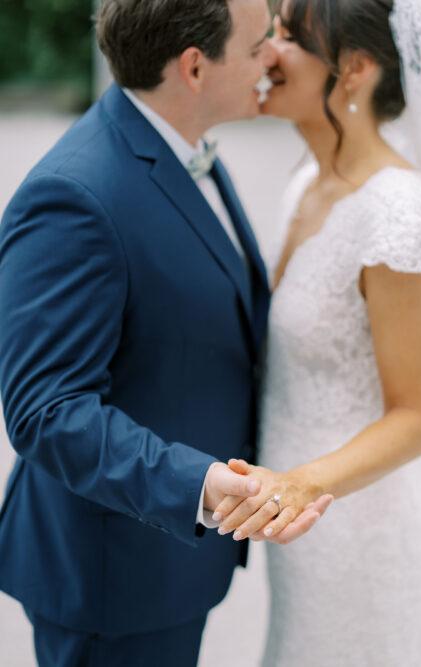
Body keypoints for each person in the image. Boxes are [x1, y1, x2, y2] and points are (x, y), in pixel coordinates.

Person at [0, 1, 333, 665]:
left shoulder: (183, 148)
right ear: (193, 67)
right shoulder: (76, 196)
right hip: (110, 582)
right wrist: (199, 484)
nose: (273, 53)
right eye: (258, 40)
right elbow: (47, 411)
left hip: (167, 572)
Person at [213, 0, 421, 664]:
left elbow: (414, 418)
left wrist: (303, 485)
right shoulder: (308, 181)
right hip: (301, 534)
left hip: (357, 534)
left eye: (287, 37)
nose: (266, 49)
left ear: (356, 70)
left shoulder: (399, 215)